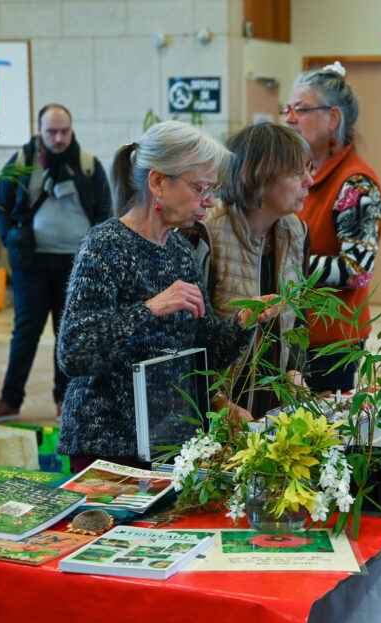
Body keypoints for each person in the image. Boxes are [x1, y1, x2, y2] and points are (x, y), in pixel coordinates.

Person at [55, 121, 276, 472]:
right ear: (158, 182)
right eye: (201, 189)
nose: (210, 202)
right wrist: (151, 309)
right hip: (107, 443)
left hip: (167, 438)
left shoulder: (180, 250)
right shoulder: (106, 244)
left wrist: (243, 322)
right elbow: (75, 352)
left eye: (213, 190)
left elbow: (201, 357)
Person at [0, 104, 112, 424]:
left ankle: (64, 400)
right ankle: (10, 399)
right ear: (39, 130)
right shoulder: (23, 162)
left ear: (72, 129)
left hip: (77, 264)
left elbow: (105, 212)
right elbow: (1, 205)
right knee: (25, 331)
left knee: (68, 333)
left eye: (64, 131)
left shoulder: (88, 164)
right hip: (31, 263)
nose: (59, 137)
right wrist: (11, 238)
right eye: (51, 131)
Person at [183, 122, 314, 420]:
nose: (309, 181)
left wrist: (294, 371)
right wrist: (216, 402)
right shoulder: (205, 233)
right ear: (260, 177)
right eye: (297, 174)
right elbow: (187, 338)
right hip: (215, 412)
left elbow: (300, 317)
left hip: (273, 408)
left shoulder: (298, 232)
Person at [285, 61, 381, 393]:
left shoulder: (356, 183)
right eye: (287, 109)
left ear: (333, 118)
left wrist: (285, 263)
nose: (289, 118)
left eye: (300, 109)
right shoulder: (300, 174)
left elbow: (356, 270)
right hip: (294, 334)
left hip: (331, 342)